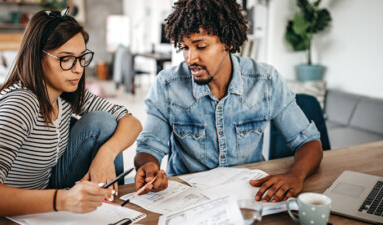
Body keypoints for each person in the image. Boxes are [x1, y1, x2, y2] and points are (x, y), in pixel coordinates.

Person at [134, 0, 323, 203]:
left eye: (201, 46)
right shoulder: (167, 85)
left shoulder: (265, 81)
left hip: (251, 196)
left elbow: (308, 142)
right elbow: (149, 148)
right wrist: (149, 167)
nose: (190, 58)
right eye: (185, 48)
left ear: (228, 42)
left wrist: (296, 175)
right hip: (188, 199)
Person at [0, 8, 142, 216]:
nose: (78, 69)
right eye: (66, 59)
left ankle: (112, 210)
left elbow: (132, 122)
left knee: (104, 122)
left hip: (47, 194)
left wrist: (106, 154)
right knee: (100, 122)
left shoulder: (65, 94)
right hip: (11, 211)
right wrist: (62, 199)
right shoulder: (20, 103)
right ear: (37, 56)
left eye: (81, 57)